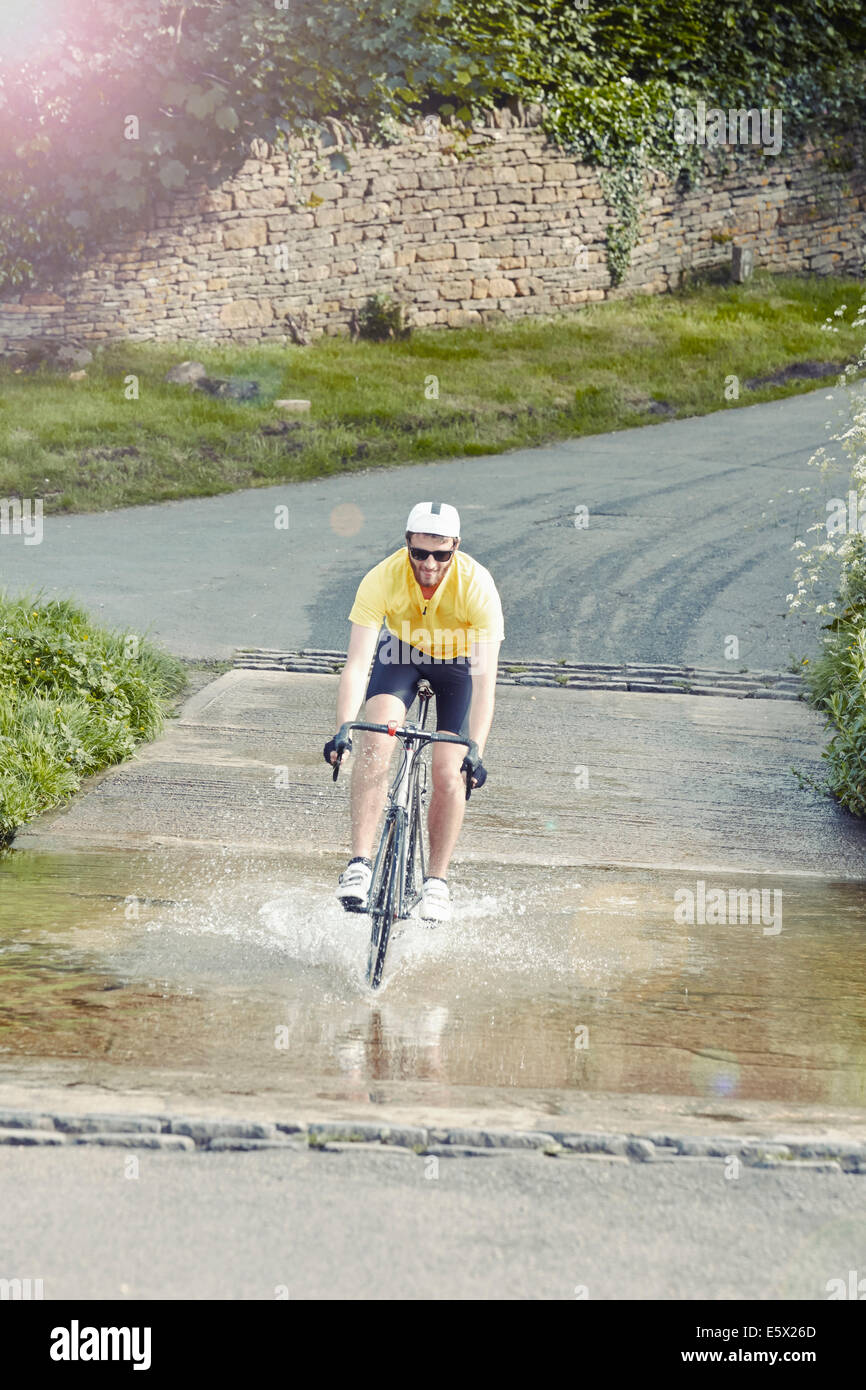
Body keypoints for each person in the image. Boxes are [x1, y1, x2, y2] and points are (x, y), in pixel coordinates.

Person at [323, 501, 504, 923]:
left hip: (459, 667)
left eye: (441, 554)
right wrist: (342, 729)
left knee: (448, 769)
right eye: (420, 553)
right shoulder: (382, 577)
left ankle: (436, 882)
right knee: (376, 743)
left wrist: (476, 748)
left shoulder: (477, 585)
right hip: (400, 654)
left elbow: (485, 683)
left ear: (456, 547)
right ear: (407, 544)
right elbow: (356, 664)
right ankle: (359, 865)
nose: (429, 563)